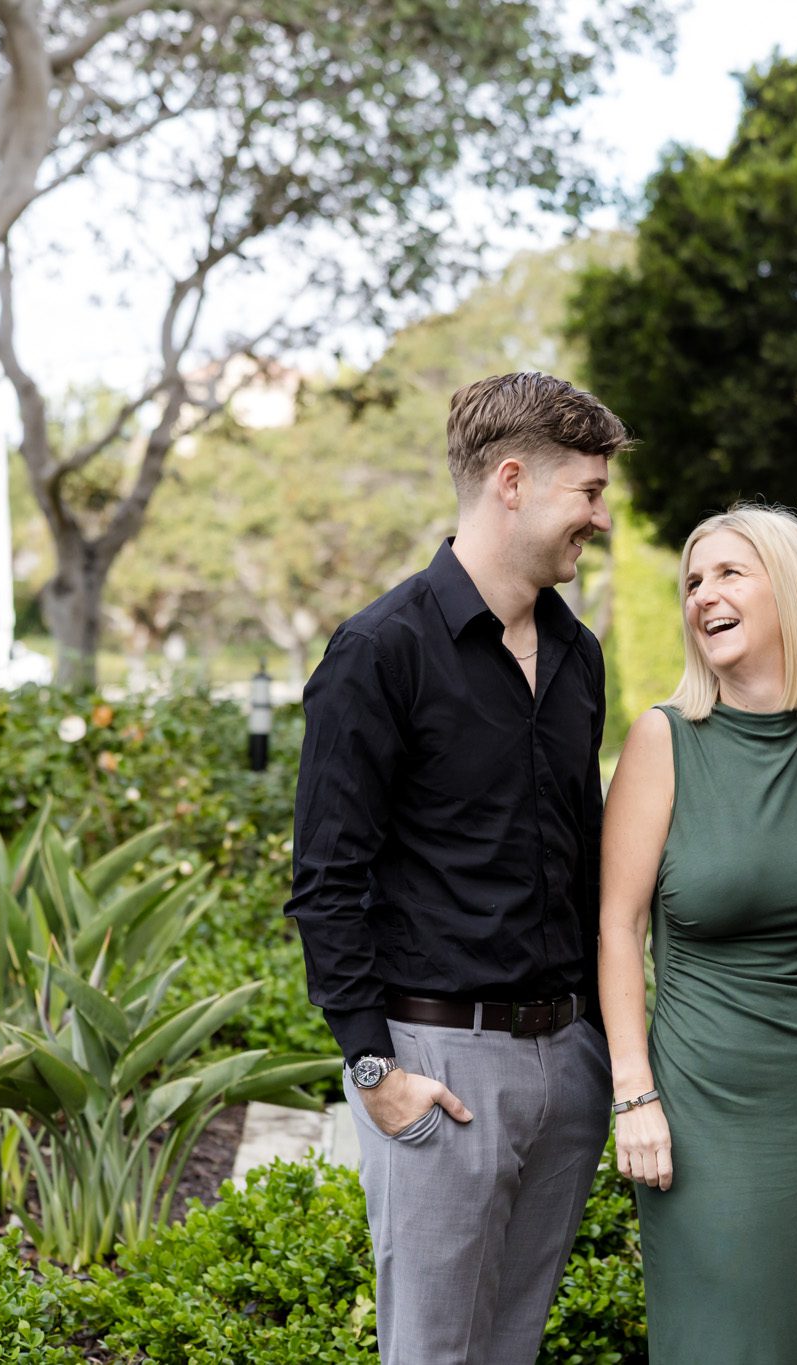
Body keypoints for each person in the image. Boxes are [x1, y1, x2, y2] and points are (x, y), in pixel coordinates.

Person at [287, 372, 626, 1364]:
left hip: (566, 1068)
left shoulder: (578, 655)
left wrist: (600, 1052)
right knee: (434, 1353)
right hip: (438, 1066)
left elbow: (583, 860)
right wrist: (372, 1069)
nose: (598, 521)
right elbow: (326, 882)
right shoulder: (379, 651)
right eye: (589, 493)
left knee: (509, 1349)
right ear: (511, 481)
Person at [599, 504, 797, 1364]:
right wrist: (633, 1092)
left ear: (790, 590)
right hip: (700, 1100)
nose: (702, 596)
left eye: (727, 573)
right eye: (692, 581)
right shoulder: (665, 738)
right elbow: (616, 925)